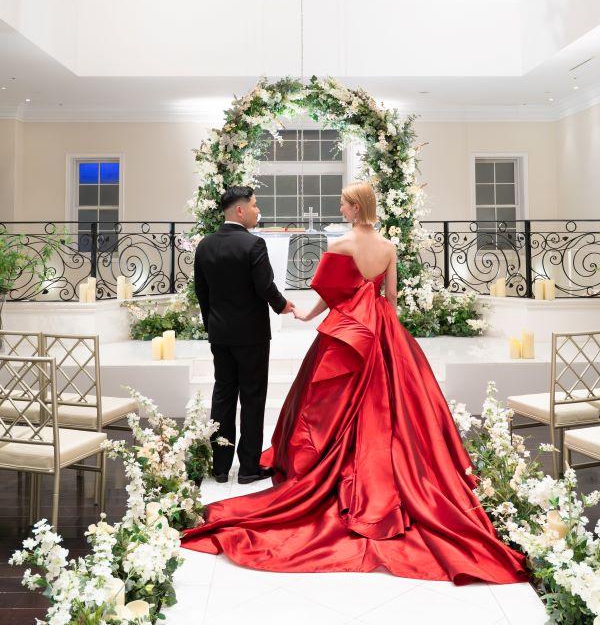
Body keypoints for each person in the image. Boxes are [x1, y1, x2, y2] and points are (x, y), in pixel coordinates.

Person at [184, 182, 527, 585]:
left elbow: (331, 295)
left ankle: (244, 464)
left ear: (355, 208)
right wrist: (387, 331)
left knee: (318, 400)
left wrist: (308, 315)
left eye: (344, 204)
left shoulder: (341, 245)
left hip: (346, 329)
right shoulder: (388, 247)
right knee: (394, 402)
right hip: (380, 327)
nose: (340, 208)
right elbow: (391, 297)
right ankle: (383, 468)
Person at [194, 185, 294, 484]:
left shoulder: (205, 245)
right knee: (252, 397)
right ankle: (249, 468)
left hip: (220, 334)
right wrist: (283, 305)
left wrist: (211, 325)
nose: (257, 210)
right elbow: (264, 286)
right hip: (252, 335)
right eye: (254, 205)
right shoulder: (254, 244)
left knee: (223, 396)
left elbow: (202, 292)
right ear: (240, 210)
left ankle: (220, 467)